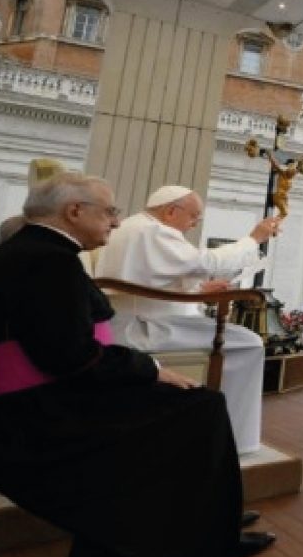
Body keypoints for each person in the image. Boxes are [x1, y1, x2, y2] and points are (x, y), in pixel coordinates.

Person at [0, 174, 273, 557]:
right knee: (201, 407)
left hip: (19, 404)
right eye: (109, 212)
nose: (117, 222)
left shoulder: (27, 254)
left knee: (193, 404)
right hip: (31, 418)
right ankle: (197, 536)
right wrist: (149, 369)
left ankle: (199, 522)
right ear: (74, 211)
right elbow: (70, 355)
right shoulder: (50, 262)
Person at [93, 185, 281, 455]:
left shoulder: (133, 227)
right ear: (171, 211)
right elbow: (206, 262)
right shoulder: (153, 231)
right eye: (193, 217)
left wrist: (199, 289)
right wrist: (254, 239)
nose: (194, 225)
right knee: (249, 343)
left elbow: (152, 281)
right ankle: (237, 438)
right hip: (147, 326)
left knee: (241, 340)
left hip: (134, 318)